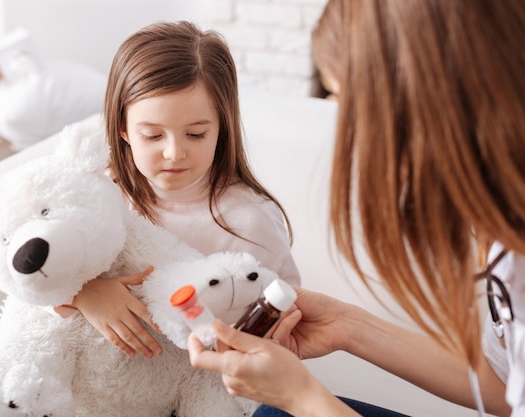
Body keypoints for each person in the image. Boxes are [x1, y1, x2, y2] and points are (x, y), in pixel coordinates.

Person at [187, 0, 525, 416]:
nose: (345, 124)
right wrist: (350, 327)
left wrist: (303, 397)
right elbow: (509, 384)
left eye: (348, 100)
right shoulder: (505, 228)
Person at [55, 20, 301, 359]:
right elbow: (30, 275)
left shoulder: (249, 220)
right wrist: (83, 294)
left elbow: (289, 307)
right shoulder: (98, 193)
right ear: (122, 128)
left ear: (221, 128)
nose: (174, 153)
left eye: (196, 134)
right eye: (153, 135)